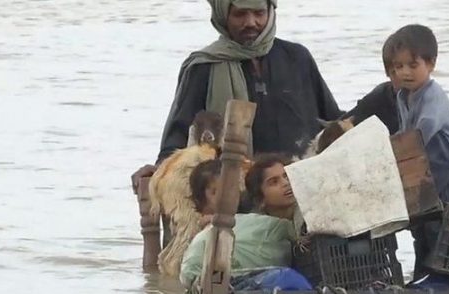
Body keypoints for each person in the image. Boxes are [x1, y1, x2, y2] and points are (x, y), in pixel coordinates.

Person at [131, 0, 342, 193]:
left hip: (299, 186)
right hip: (237, 194)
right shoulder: (204, 67)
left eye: (259, 13)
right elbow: (178, 136)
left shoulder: (297, 58)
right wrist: (160, 171)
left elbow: (331, 121)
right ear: (223, 16)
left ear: (271, 12)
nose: (251, 22)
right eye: (240, 14)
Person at [387, 24, 449, 280]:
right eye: (398, 66)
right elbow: (405, 135)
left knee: (448, 233)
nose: (405, 72)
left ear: (431, 64)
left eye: (412, 65)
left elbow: (420, 134)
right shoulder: (401, 97)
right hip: (430, 174)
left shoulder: (433, 95)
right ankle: (424, 277)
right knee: (423, 229)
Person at [180, 155, 308, 293]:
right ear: (261, 200)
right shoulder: (260, 226)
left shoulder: (305, 212)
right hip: (214, 277)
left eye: (287, 176)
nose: (285, 183)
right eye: (274, 182)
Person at [342, 33, 449, 141]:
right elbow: (346, 122)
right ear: (388, 74)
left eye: (412, 66)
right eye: (397, 69)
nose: (404, 74)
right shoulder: (380, 98)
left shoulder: (426, 96)